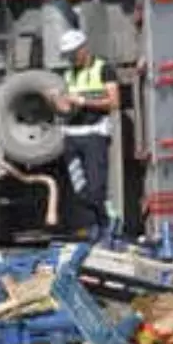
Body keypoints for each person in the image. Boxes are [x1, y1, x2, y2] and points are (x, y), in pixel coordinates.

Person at [50, 29, 120, 242]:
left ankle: (105, 224)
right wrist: (55, 100)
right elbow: (64, 109)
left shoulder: (103, 69)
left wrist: (83, 101)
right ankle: (100, 221)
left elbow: (114, 102)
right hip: (71, 136)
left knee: (96, 187)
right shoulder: (68, 74)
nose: (70, 58)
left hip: (94, 134)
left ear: (83, 49)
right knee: (79, 189)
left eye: (73, 53)